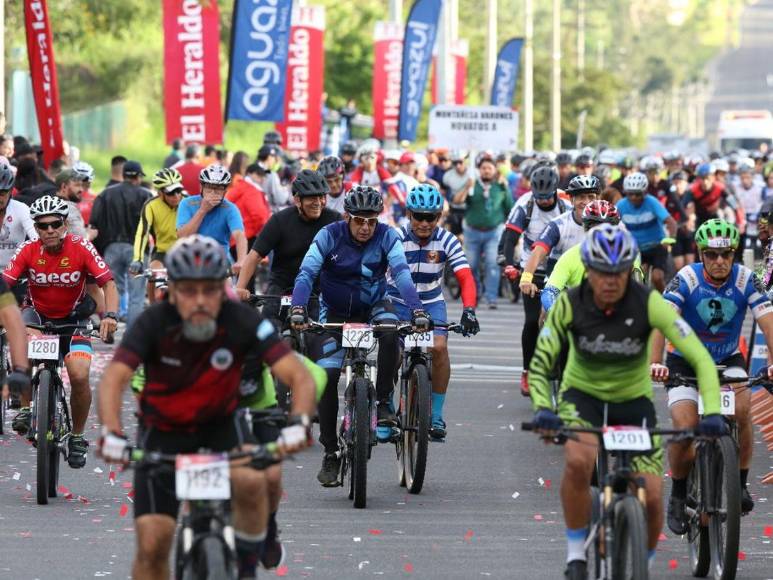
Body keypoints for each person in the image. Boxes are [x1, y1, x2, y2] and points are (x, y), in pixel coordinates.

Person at [96, 235, 316, 580]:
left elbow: (297, 374)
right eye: (188, 290)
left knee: (252, 480)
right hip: (163, 432)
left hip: (221, 426)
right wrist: (112, 432)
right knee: (152, 544)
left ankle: (245, 567)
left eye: (209, 290)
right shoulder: (153, 322)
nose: (199, 300)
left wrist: (299, 423)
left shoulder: (241, 318)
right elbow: (114, 379)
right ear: (172, 290)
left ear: (222, 289)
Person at [528, 224, 721, 580]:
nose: (611, 281)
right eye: (602, 272)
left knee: (652, 493)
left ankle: (642, 562)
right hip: (582, 397)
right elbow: (541, 364)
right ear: (588, 269)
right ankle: (576, 553)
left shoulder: (648, 301)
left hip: (633, 402)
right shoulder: (570, 303)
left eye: (619, 272)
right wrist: (543, 408)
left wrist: (711, 411)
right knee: (579, 461)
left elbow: (700, 357)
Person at [288, 186, 431, 485]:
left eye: (371, 221)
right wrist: (298, 308)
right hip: (334, 312)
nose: (366, 227)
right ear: (347, 217)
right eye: (359, 221)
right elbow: (306, 273)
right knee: (327, 376)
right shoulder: (328, 235)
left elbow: (402, 274)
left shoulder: (388, 236)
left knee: (391, 333)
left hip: (375, 306)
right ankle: (330, 451)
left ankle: (384, 401)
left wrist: (417, 310)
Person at [650, 219, 773, 534]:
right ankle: (678, 494)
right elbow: (662, 322)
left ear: (734, 254)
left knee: (743, 412)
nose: (719, 261)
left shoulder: (746, 279)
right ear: (701, 254)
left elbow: (769, 323)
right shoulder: (686, 278)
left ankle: (739, 483)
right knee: (685, 427)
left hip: (727, 359)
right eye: (712, 255)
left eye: (726, 254)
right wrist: (654, 363)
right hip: (685, 361)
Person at [5, 195, 119, 468]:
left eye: (55, 224)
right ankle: (25, 408)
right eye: (43, 226)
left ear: (65, 224)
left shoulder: (81, 247)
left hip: (73, 318)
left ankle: (77, 437)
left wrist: (110, 316)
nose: (50, 230)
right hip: (37, 316)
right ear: (36, 228)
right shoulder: (27, 248)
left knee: (79, 375)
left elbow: (108, 283)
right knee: (22, 351)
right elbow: (5, 283)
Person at [387, 185, 479, 440]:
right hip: (396, 301)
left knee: (439, 347)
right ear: (409, 214)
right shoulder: (395, 237)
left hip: (431, 302)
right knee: (393, 352)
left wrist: (469, 310)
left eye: (431, 218)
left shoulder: (447, 240)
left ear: (439, 217)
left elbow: (465, 277)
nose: (425, 223)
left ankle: (436, 414)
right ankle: (386, 406)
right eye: (419, 217)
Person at [500, 165, 570, 396]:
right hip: (532, 269)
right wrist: (509, 265)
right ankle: (527, 371)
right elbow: (510, 238)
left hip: (560, 268)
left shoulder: (566, 204)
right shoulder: (525, 205)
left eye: (547, 197)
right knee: (532, 321)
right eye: (539, 197)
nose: (544, 201)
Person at [235, 169, 339, 309]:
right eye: (312, 198)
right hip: (282, 286)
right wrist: (240, 288)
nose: (319, 202)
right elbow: (254, 256)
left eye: (322, 197)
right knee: (270, 319)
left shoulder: (334, 220)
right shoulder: (279, 220)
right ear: (297, 200)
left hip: (318, 288)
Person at [90, 161, 153, 326]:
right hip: (137, 251)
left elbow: (94, 223)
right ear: (138, 177)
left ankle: (110, 329)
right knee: (137, 296)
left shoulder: (106, 194)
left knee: (112, 292)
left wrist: (102, 248)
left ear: (124, 175)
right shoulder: (146, 195)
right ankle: (132, 334)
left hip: (111, 249)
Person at [520, 174, 600, 299]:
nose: (586, 202)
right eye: (581, 197)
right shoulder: (558, 224)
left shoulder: (608, 222)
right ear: (572, 200)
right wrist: (526, 278)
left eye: (591, 197)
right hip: (559, 282)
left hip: (593, 281)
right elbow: (538, 252)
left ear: (598, 199)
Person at [540, 200, 623, 312]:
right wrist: (557, 313)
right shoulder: (570, 257)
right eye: (596, 229)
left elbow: (638, 292)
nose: (602, 234)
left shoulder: (627, 254)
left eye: (607, 229)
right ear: (586, 228)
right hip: (580, 314)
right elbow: (549, 292)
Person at [455, 156, 513, 309]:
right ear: (479, 170)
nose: (486, 171)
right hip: (472, 232)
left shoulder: (500, 186)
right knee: (471, 265)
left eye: (489, 168)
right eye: (483, 168)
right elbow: (457, 200)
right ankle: (476, 292)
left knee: (492, 264)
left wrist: (506, 188)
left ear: (494, 170)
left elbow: (510, 208)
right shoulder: (473, 184)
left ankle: (491, 297)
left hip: (494, 232)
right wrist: (467, 187)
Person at [176, 165, 248, 273]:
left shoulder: (230, 208)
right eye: (209, 187)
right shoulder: (187, 203)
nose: (213, 193)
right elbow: (182, 236)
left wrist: (241, 261)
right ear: (201, 187)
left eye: (219, 188)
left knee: (228, 282)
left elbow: (239, 235)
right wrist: (202, 210)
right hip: (190, 259)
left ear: (225, 191)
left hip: (219, 260)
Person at [616, 172, 677, 292]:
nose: (634, 197)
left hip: (657, 246)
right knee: (633, 278)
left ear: (645, 192)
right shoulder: (621, 205)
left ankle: (663, 299)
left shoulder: (652, 202)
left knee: (657, 277)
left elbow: (671, 222)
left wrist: (670, 239)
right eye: (630, 194)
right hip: (635, 249)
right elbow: (612, 225)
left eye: (638, 194)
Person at [129, 168, 185, 282]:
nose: (176, 196)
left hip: (185, 251)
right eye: (170, 192)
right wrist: (138, 259)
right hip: (162, 252)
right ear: (160, 193)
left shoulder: (187, 202)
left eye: (178, 190)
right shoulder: (151, 205)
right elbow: (142, 233)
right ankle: (154, 293)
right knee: (155, 276)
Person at [0, 163, 37, 307]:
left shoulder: (21, 209)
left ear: (11, 191)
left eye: (2, 193)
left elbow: (37, 239)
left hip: (16, 276)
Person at [442, 150, 474, 236]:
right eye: (455, 163)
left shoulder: (474, 173)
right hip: (455, 210)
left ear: (465, 161)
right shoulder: (447, 176)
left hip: (471, 210)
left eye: (460, 162)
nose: (458, 166)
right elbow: (443, 193)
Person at [257, 145, 292, 213]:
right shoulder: (271, 174)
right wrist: (287, 190)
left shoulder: (250, 171)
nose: (275, 160)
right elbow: (280, 199)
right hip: (267, 212)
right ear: (269, 157)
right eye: (274, 157)